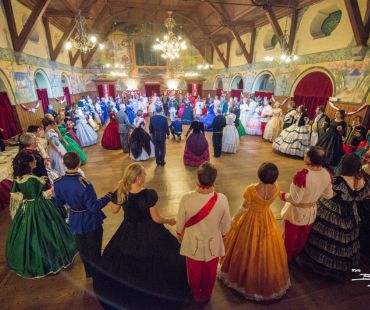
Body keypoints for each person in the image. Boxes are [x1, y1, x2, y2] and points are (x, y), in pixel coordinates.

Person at [94, 164, 189, 309]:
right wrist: (169, 220)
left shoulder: (122, 191)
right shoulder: (148, 194)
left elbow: (114, 211)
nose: (145, 177)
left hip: (128, 229)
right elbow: (156, 219)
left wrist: (116, 196)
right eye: (144, 174)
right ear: (138, 178)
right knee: (159, 257)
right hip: (149, 230)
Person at [219, 162, 290, 301]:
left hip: (250, 218)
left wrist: (234, 220)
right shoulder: (276, 188)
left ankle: (243, 278)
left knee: (244, 247)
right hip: (266, 217)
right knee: (267, 248)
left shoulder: (251, 189)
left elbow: (243, 208)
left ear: (260, 173)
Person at [298, 153, 370, 280]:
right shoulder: (363, 181)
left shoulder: (338, 180)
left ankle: (320, 264)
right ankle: (341, 266)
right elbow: (362, 196)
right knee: (345, 238)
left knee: (324, 234)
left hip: (333, 211)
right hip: (350, 213)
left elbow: (328, 194)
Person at [6, 152, 77, 278]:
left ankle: (30, 259)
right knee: (48, 231)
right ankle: (50, 259)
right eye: (33, 160)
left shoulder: (18, 179)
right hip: (41, 208)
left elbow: (17, 199)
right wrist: (53, 189)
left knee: (30, 233)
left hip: (27, 208)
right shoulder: (33, 179)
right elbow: (41, 195)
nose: (35, 162)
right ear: (28, 163)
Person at [176, 162, 231, 303]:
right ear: (215, 179)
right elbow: (226, 226)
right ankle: (206, 295)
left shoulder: (186, 198)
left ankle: (195, 294)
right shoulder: (222, 199)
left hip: (192, 242)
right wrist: (224, 236)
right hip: (213, 243)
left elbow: (180, 224)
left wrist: (180, 235)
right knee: (210, 272)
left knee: (193, 273)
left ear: (197, 179)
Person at [54, 152, 113, 278]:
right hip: (90, 221)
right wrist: (108, 197)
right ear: (79, 163)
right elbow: (94, 207)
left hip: (74, 219)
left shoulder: (58, 182)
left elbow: (59, 203)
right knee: (94, 248)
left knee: (83, 249)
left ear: (64, 164)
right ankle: (99, 274)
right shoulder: (84, 184)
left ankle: (89, 272)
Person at [280, 146, 334, 261]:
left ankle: (286, 258)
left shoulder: (302, 175)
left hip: (296, 212)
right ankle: (295, 256)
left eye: (306, 155)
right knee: (302, 237)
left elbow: (295, 199)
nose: (304, 156)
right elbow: (328, 195)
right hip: (312, 211)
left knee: (290, 237)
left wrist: (282, 195)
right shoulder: (326, 173)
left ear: (309, 159)